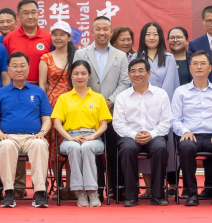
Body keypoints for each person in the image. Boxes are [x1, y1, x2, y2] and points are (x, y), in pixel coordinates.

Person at [76, 16, 131, 199]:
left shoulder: (121, 55)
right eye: (98, 29)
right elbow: (77, 80)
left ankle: (117, 189)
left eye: (105, 29)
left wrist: (110, 101)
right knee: (93, 152)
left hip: (113, 111)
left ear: (110, 31)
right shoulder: (81, 53)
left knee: (114, 150)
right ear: (92, 31)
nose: (102, 32)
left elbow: (124, 82)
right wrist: (93, 103)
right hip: (89, 112)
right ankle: (96, 189)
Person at [0, 52, 53, 208]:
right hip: (8, 137)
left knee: (39, 144)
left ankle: (39, 193)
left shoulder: (38, 91)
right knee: (5, 145)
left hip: (32, 137)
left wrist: (42, 133)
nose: (18, 69)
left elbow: (47, 119)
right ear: (8, 70)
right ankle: (9, 192)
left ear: (29, 68)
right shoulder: (0, 93)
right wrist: (0, 135)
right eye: (14, 66)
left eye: (22, 66)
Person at [172, 52, 212, 207]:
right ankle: (191, 193)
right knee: (186, 147)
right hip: (190, 134)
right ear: (190, 68)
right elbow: (174, 120)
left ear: (210, 68)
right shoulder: (181, 92)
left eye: (202, 63)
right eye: (195, 63)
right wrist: (185, 132)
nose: (199, 67)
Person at [52, 59, 111, 207]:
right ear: (71, 75)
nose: (80, 77)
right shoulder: (64, 98)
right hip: (70, 137)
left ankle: (92, 190)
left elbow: (103, 125)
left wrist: (91, 137)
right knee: (73, 147)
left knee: (86, 147)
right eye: (76, 73)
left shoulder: (98, 98)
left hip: (93, 137)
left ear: (89, 75)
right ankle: (79, 191)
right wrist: (70, 138)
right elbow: (57, 123)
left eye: (83, 73)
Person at [115, 57, 172, 207]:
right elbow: (118, 124)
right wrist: (134, 135)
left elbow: (166, 122)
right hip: (130, 136)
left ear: (149, 73)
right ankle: (131, 195)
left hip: (155, 134)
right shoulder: (122, 97)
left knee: (160, 148)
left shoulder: (161, 94)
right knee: (126, 149)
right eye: (133, 71)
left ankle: (158, 195)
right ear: (128, 75)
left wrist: (151, 134)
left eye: (141, 70)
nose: (137, 74)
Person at [129, 22, 178, 196]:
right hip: (139, 107)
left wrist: (158, 103)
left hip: (161, 107)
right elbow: (132, 83)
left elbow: (171, 86)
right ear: (142, 37)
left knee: (162, 147)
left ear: (160, 37)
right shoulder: (134, 56)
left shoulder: (169, 57)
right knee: (141, 142)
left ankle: (160, 186)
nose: (151, 37)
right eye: (148, 34)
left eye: (155, 34)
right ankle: (148, 187)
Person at [39, 21, 76, 197]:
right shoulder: (45, 58)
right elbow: (42, 86)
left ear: (69, 37)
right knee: (53, 145)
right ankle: (59, 185)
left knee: (70, 143)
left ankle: (71, 185)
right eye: (55, 34)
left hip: (74, 106)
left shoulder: (77, 57)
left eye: (62, 34)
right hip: (52, 106)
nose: (58, 38)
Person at [2, 0, 53, 84]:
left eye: (33, 12)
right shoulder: (9, 38)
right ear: (18, 16)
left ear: (38, 14)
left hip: (41, 88)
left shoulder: (49, 38)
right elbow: (4, 68)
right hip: (16, 87)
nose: (30, 16)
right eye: (25, 13)